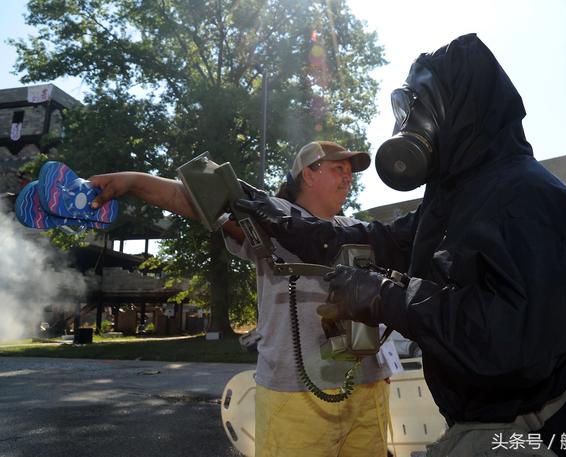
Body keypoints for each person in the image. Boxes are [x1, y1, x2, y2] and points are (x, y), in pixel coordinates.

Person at [235, 34, 566, 456]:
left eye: (411, 107)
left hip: (533, 432)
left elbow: (510, 340)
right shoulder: (456, 198)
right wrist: (293, 224)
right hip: (483, 424)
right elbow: (384, 240)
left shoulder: (535, 202)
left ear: (453, 108)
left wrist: (385, 297)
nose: (404, 123)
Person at [88, 140, 394, 457]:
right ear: (309, 174)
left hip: (369, 388)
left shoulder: (356, 228)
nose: (348, 178)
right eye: (338, 169)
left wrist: (384, 369)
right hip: (298, 395)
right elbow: (198, 200)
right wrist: (134, 181)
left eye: (350, 172)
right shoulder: (274, 218)